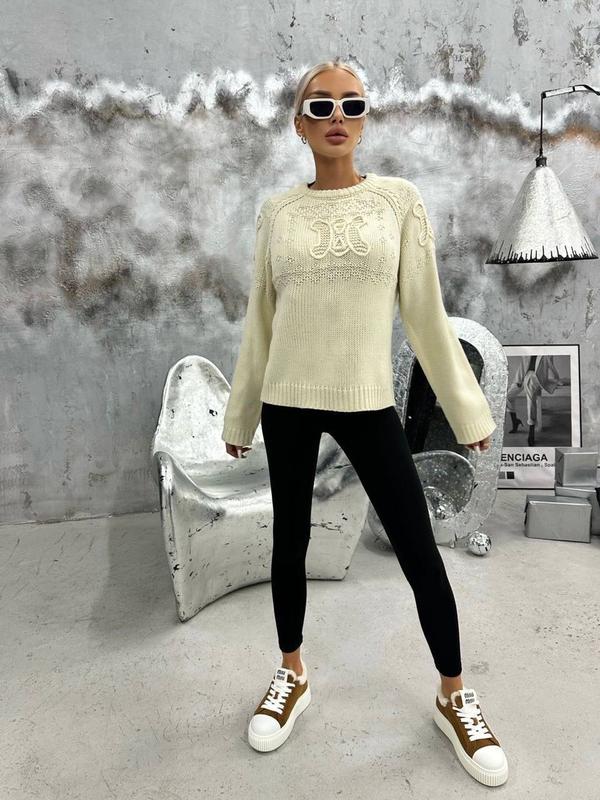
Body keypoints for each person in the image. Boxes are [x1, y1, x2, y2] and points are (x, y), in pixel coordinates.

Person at [221, 58, 508, 787]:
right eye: (320, 106)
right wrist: (243, 411)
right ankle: (291, 672)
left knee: (417, 548)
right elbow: (261, 320)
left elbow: (425, 314)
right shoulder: (278, 213)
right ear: (299, 124)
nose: (337, 117)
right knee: (289, 542)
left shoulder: (397, 203)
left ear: (366, 119)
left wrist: (465, 406)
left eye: (351, 104)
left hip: (366, 399)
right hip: (287, 399)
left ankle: (453, 695)